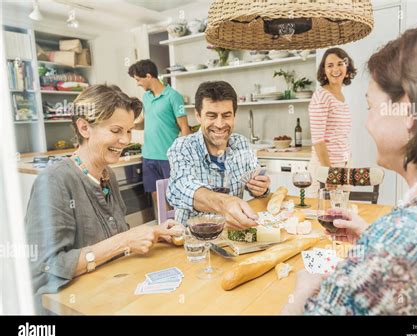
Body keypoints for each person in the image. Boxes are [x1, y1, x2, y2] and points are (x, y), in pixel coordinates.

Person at [283, 19, 417, 315]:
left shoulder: (400, 240)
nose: (367, 121)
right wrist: (374, 238)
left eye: (371, 107)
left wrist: (301, 294)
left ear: (409, 109)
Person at [25, 84, 184, 314]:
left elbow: (115, 244)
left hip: (110, 298)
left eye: (129, 131)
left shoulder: (106, 175)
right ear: (84, 128)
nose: (125, 140)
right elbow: (44, 268)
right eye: (116, 130)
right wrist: (126, 241)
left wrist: (156, 233)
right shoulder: (54, 181)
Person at [167, 81, 271, 229]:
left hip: (234, 235)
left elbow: (258, 189)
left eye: (226, 115)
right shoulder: (182, 147)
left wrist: (261, 189)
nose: (220, 124)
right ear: (198, 115)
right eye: (212, 116)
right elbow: (182, 187)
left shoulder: (242, 144)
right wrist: (224, 202)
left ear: (234, 115)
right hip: (193, 239)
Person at [128, 59, 191, 203]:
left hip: (168, 156)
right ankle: (161, 224)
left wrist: (184, 155)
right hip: (149, 155)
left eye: (138, 80)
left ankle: (177, 225)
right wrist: (131, 125)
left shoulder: (173, 96)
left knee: (174, 196)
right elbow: (146, 122)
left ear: (149, 76)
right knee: (156, 196)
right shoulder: (146, 97)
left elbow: (184, 127)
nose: (138, 83)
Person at [307, 48, 357, 194]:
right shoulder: (322, 97)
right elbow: (318, 140)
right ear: (324, 71)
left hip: (344, 165)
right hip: (327, 168)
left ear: (347, 68)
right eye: (330, 65)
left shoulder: (340, 96)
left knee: (343, 214)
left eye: (340, 63)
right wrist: (330, 173)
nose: (335, 69)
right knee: (324, 215)